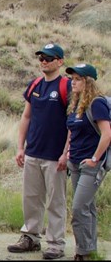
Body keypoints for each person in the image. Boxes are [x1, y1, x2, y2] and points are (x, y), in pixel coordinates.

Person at [9, 43, 70, 260]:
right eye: (42, 57)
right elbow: (26, 117)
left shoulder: (66, 86)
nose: (44, 61)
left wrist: (66, 153)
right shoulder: (34, 85)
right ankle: (30, 237)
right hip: (33, 152)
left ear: (60, 61)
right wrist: (20, 147)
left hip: (55, 156)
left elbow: (73, 122)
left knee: (56, 200)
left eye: (49, 58)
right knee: (31, 198)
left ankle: (55, 243)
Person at [64, 64, 111, 261]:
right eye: (72, 78)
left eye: (77, 79)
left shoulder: (96, 104)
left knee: (78, 208)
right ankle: (89, 250)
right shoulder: (75, 104)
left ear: (88, 82)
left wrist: (94, 159)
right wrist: (67, 152)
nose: (72, 82)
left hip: (90, 165)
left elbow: (107, 134)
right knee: (87, 206)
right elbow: (72, 130)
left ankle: (82, 252)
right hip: (75, 162)